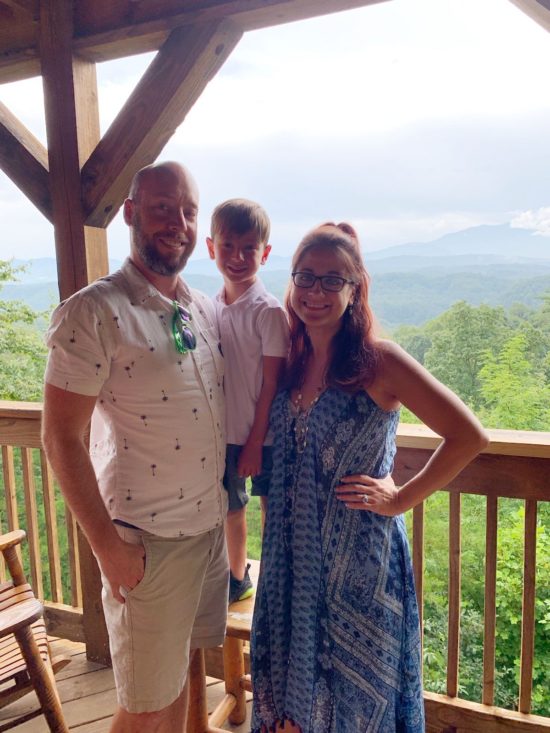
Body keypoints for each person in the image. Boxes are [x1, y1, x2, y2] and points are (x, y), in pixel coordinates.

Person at [250, 223, 489, 733]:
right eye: (305, 277)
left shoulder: (380, 362)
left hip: (358, 567)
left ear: (356, 288)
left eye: (332, 280)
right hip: (288, 561)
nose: (316, 291)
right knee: (291, 704)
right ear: (291, 283)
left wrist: (401, 497)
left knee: (360, 702)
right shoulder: (290, 361)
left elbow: (468, 435)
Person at [42, 162, 228, 733]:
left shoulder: (197, 307)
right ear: (130, 212)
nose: (178, 223)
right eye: (162, 208)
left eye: (189, 211)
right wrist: (108, 548)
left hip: (206, 529)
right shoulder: (93, 312)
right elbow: (60, 438)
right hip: (146, 542)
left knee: (173, 689)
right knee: (144, 708)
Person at [206, 199, 288, 604]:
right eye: (228, 247)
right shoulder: (212, 306)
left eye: (249, 248)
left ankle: (276, 583)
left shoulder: (268, 311)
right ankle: (237, 579)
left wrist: (256, 440)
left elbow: (273, 384)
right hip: (225, 430)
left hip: (265, 434)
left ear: (265, 253)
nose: (237, 257)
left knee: (271, 510)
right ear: (211, 247)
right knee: (231, 508)